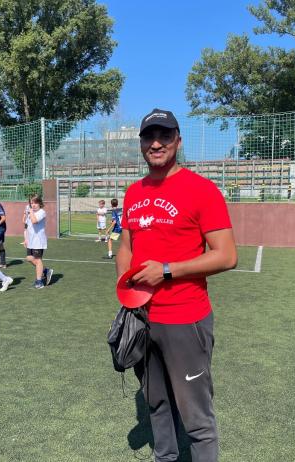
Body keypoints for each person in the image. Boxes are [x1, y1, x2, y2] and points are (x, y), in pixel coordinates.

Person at [116, 108, 237, 462]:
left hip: (186, 319)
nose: (156, 143)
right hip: (142, 319)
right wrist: (127, 291)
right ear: (140, 143)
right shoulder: (133, 193)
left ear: (177, 141)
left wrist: (166, 270)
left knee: (196, 419)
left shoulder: (202, 190)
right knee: (156, 406)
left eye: (164, 135)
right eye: (149, 136)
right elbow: (126, 246)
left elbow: (227, 255)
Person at [24, 194, 53, 289]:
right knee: (29, 258)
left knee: (38, 260)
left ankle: (39, 282)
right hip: (31, 241)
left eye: (35, 203)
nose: (33, 205)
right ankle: (45, 271)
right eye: (31, 203)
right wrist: (26, 239)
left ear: (40, 203)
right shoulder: (30, 213)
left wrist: (31, 212)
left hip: (38, 241)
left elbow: (34, 221)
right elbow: (27, 227)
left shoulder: (42, 212)